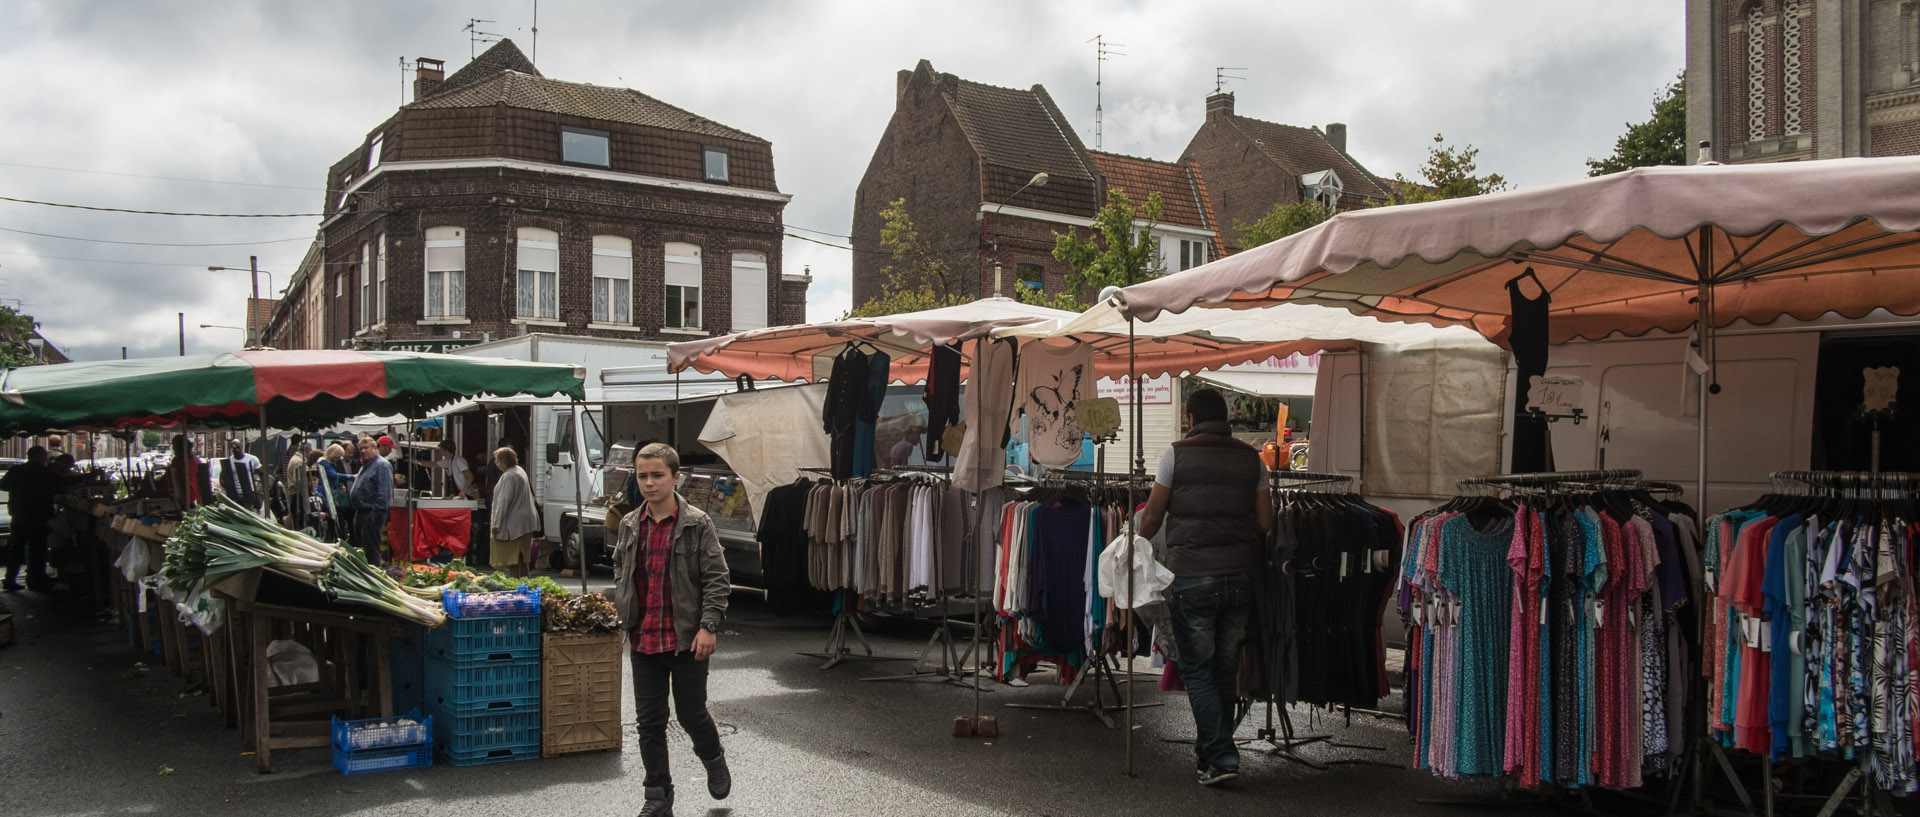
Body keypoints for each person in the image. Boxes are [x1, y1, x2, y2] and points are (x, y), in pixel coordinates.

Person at [1138, 388, 1272, 787]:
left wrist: (1139, 545)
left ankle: (1220, 758)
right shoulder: (1252, 459)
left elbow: (1153, 515)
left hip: (1193, 577)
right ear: (1226, 419)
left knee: (1197, 671)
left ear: (1191, 419)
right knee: (1224, 671)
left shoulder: (1174, 455)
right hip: (1238, 577)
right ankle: (1208, 753)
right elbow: (1266, 523)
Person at [611, 442, 731, 816]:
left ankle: (713, 757)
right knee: (649, 722)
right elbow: (620, 569)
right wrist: (624, 612)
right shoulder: (631, 524)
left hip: (685, 641)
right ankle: (657, 794)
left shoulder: (697, 523)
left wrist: (708, 627)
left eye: (657, 475)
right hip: (644, 638)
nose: (649, 483)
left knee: (691, 714)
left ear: (675, 477)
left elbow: (717, 580)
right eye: (642, 476)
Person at [1, 446, 57, 591]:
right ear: (38, 456)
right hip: (37, 515)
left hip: (19, 514)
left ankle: (10, 580)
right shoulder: (41, 472)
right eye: (44, 455)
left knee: (16, 548)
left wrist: (18, 489)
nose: (46, 458)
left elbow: (3, 485)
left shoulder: (16, 470)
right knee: (37, 549)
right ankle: (35, 579)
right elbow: (58, 484)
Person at [488, 447, 539, 579]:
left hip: (514, 525)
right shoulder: (520, 470)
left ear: (503, 461)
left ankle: (516, 585)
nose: (496, 463)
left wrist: (496, 524)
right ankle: (525, 584)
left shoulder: (508, 476)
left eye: (498, 461)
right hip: (526, 522)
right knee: (523, 558)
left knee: (513, 559)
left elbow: (504, 501)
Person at [347, 437, 392, 566]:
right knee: (360, 548)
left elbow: (384, 494)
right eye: (361, 448)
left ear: (375, 448)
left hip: (371, 513)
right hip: (360, 512)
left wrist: (375, 514)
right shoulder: (366, 465)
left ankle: (373, 574)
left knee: (370, 549)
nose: (363, 451)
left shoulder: (381, 465)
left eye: (366, 448)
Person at [220, 438, 264, 510]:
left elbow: (262, 473)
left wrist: (262, 490)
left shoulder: (252, 459)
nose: (236, 450)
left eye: (238, 447)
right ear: (231, 449)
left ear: (241, 446)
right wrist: (227, 488)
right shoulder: (229, 462)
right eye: (234, 448)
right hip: (235, 494)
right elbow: (222, 477)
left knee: (248, 513)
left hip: (249, 493)